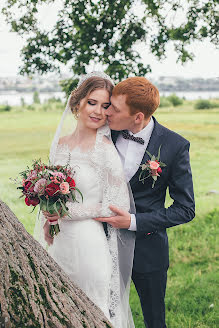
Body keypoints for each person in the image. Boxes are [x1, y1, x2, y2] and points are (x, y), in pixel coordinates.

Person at [36, 72, 135, 328]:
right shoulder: (60, 144)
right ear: (77, 101)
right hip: (58, 243)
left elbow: (118, 206)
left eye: (105, 106)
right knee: (58, 309)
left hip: (89, 244)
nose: (99, 112)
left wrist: (68, 212)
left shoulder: (104, 150)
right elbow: (53, 195)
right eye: (92, 102)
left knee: (92, 309)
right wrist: (50, 219)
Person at [94, 76, 195, 328]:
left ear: (137, 117)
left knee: (154, 320)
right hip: (99, 244)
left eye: (114, 109)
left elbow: (186, 209)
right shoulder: (104, 132)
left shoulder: (175, 146)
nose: (107, 112)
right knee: (101, 313)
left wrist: (133, 221)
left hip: (148, 250)